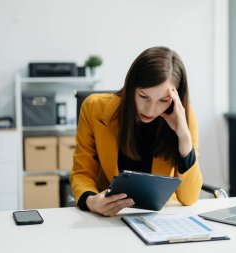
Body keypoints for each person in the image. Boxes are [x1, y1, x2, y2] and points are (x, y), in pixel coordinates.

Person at [70, 46, 202, 216]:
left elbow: (189, 198)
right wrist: (91, 200)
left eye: (163, 100)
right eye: (143, 96)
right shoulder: (94, 108)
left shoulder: (183, 116)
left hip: (160, 218)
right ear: (130, 86)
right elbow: (82, 173)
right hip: (109, 214)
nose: (150, 110)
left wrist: (183, 135)